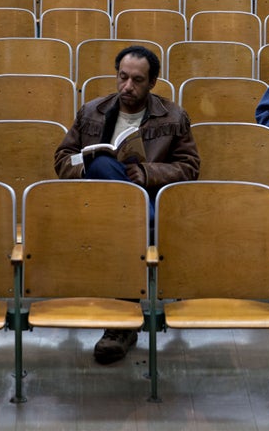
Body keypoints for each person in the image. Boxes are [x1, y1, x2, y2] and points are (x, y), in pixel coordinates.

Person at [54, 45, 200, 365]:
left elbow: (189, 167)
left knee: (124, 227)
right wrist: (91, 167)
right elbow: (63, 159)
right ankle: (140, 227)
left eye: (137, 80)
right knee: (103, 164)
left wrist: (146, 172)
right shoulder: (91, 111)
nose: (127, 87)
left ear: (152, 83)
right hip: (96, 197)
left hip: (144, 195)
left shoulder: (173, 116)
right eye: (122, 77)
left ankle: (119, 327)